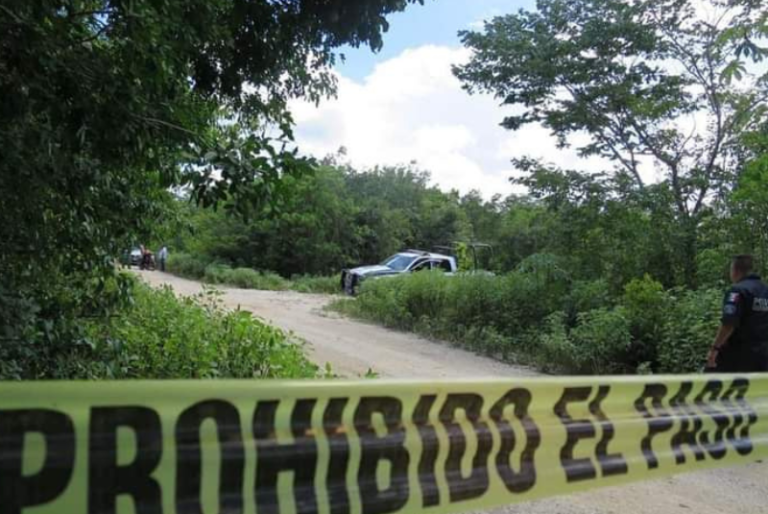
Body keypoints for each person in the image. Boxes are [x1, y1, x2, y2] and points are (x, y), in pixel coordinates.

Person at [707, 255, 768, 372]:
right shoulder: (765, 290)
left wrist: (715, 348)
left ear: (736, 271)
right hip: (764, 354)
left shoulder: (737, 291)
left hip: (739, 354)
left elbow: (729, 323)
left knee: (714, 381)